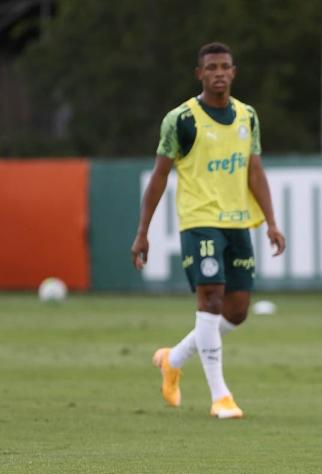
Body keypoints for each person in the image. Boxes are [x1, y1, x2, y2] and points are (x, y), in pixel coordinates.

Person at [130, 42, 286, 420]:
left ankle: (173, 359)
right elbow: (159, 177)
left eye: (225, 66)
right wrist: (143, 232)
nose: (219, 72)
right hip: (199, 222)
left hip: (238, 224)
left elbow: (255, 172)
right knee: (211, 299)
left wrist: (271, 222)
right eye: (211, 67)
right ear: (200, 74)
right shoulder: (181, 120)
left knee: (236, 311)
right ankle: (221, 396)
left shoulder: (247, 116)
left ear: (233, 72)